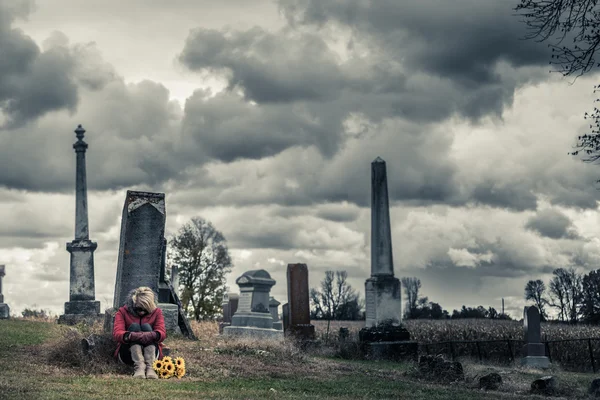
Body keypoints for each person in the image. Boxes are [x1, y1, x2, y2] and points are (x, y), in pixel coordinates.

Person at [112, 286, 167, 379]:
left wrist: (149, 335)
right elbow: (117, 333)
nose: (141, 312)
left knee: (146, 326)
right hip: (127, 354)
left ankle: (150, 367)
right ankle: (139, 366)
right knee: (134, 326)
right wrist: (132, 335)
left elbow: (162, 333)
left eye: (145, 310)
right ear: (133, 303)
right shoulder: (122, 311)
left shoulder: (157, 312)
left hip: (153, 355)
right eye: (138, 309)